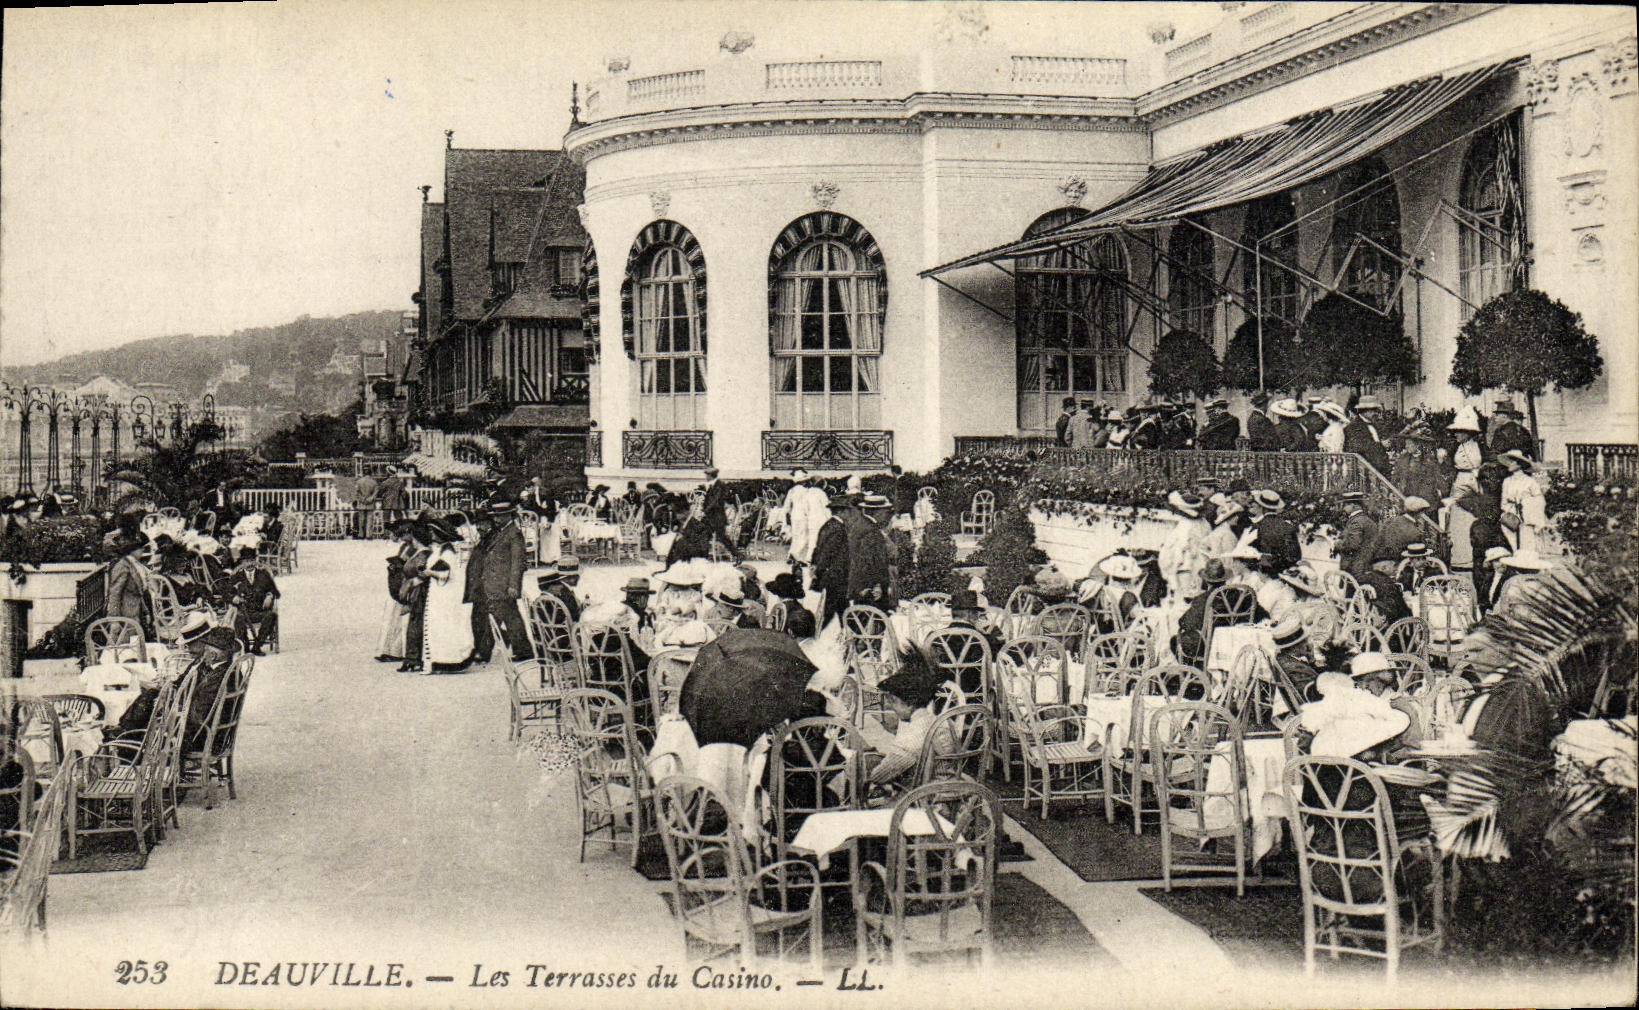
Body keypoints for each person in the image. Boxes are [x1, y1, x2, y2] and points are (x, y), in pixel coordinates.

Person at [860, 652, 952, 788]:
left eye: (893, 701)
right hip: (946, 778)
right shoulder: (935, 721)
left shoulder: (911, 737)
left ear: (909, 703)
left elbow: (879, 777)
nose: (891, 707)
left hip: (928, 791)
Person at [467, 500, 529, 663]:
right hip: (495, 583)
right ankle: (523, 650)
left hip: (502, 584)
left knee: (494, 616)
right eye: (495, 516)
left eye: (500, 516)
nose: (496, 519)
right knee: (511, 617)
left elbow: (518, 561)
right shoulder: (501, 532)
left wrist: (514, 585)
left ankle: (484, 651)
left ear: (509, 515)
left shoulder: (513, 533)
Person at [421, 519, 474, 672]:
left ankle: (448, 659)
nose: (431, 534)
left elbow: (445, 573)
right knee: (438, 625)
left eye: (433, 532)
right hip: (439, 591)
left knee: (444, 624)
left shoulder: (448, 552)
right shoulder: (440, 550)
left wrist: (429, 573)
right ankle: (439, 659)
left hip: (445, 593)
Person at [225, 547, 280, 654]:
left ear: (256, 561)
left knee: (272, 616)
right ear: (242, 563)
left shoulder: (264, 574)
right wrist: (233, 598)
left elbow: (275, 592)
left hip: (260, 611)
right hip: (243, 612)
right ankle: (244, 646)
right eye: (246, 561)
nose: (250, 564)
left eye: (252, 561)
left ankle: (257, 646)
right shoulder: (237, 576)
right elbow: (227, 593)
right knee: (237, 618)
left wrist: (270, 595)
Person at [376, 521, 416, 663]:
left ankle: (399, 650)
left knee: (402, 619)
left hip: (406, 583)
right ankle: (390, 648)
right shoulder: (405, 546)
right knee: (394, 618)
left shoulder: (414, 548)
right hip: (398, 583)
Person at [1158, 490, 1210, 599]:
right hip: (1200, 561)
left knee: (1184, 593)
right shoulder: (1204, 523)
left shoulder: (1185, 524)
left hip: (1187, 562)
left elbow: (1182, 544)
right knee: (1195, 589)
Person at [846, 493, 894, 609]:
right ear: (877, 512)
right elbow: (871, 561)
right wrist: (876, 585)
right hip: (870, 587)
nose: (887, 516)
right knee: (875, 620)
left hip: (860, 584)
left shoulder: (859, 524)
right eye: (886, 512)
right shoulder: (871, 531)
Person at [810, 496, 852, 627]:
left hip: (833, 577)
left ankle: (849, 635)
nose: (849, 514)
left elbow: (818, 548)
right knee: (830, 611)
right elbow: (827, 553)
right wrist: (820, 570)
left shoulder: (827, 526)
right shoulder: (838, 529)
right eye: (847, 511)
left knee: (840, 609)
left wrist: (815, 566)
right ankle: (814, 637)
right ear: (840, 512)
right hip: (836, 577)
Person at [1499, 449, 1547, 553]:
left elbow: (1539, 500)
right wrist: (1509, 512)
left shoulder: (1530, 482)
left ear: (1520, 464)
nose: (1509, 464)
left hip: (1527, 518)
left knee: (1527, 545)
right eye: (1509, 461)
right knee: (1512, 546)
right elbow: (1503, 501)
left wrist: (1527, 506)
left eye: (1513, 461)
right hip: (1511, 518)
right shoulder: (1507, 481)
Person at [1369, 496, 1437, 568]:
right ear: (1420, 513)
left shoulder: (1390, 521)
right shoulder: (1414, 532)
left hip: (1377, 563)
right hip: (1395, 566)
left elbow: (1377, 542)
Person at [1250, 489, 1301, 573]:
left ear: (1262, 507)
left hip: (1262, 575)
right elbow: (1296, 556)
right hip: (1284, 575)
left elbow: (1250, 555)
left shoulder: (1256, 527)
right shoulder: (1288, 527)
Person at [104, 533, 151, 623]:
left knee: (137, 636)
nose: (142, 550)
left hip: (135, 611)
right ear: (132, 550)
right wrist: (114, 620)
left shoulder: (134, 564)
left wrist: (146, 612)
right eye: (140, 548)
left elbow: (139, 591)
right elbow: (115, 593)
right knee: (131, 636)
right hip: (126, 614)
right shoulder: (122, 566)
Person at [698, 467, 741, 562]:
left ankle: (737, 555)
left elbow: (715, 501)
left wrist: (705, 510)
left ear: (711, 475)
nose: (705, 477)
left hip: (717, 518)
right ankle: (703, 558)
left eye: (707, 475)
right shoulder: (711, 486)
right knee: (704, 536)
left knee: (721, 538)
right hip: (711, 518)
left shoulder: (719, 485)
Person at [1343, 395, 1392, 475]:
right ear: (1364, 411)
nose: (1375, 413)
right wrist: (1381, 444)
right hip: (1364, 471)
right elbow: (1359, 446)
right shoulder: (1353, 427)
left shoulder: (1374, 425)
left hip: (1379, 470)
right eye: (1373, 411)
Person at [1358, 558, 1413, 626]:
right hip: (1393, 626)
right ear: (1384, 568)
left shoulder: (1367, 578)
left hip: (1368, 621)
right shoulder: (1386, 582)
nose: (1396, 569)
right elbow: (1399, 611)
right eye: (1394, 566)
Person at [1335, 490, 1378, 577]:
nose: (1343, 508)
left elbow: (1353, 544)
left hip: (1354, 567)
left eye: (1346, 505)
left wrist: (1338, 543)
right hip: (1366, 565)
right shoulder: (1368, 520)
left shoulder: (1356, 522)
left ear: (1354, 505)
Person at [783, 470, 819, 571]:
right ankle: (798, 557)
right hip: (804, 516)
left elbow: (786, 506)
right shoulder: (806, 491)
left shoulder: (792, 491)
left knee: (796, 536)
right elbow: (808, 505)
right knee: (804, 537)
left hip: (794, 516)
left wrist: (787, 516)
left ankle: (792, 554)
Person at [536, 557, 584, 624]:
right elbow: (575, 617)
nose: (579, 578)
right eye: (577, 575)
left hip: (548, 630)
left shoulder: (550, 588)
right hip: (565, 631)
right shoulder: (566, 594)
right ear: (572, 577)